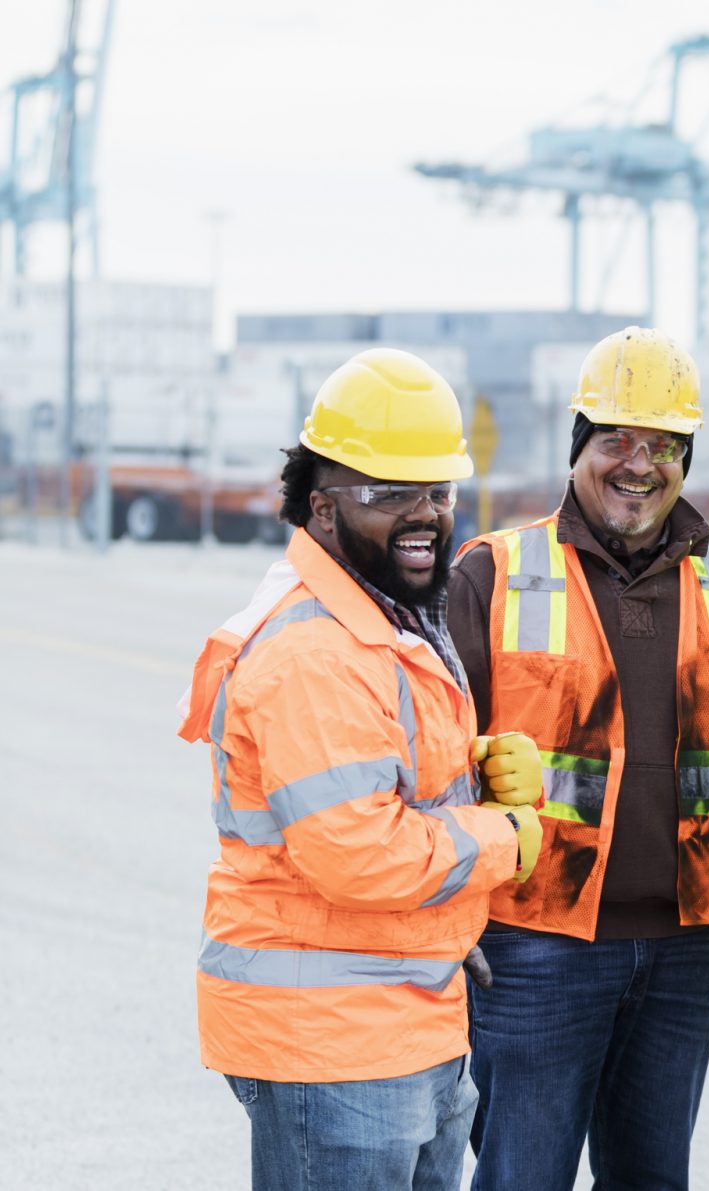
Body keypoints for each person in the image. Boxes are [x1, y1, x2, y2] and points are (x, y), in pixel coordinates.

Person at [177, 349, 543, 1190]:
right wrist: (502, 834)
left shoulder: (385, 618)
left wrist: (471, 772)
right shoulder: (315, 650)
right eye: (388, 493)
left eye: (438, 492)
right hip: (334, 1042)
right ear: (323, 507)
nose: (423, 514)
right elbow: (359, 849)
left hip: (406, 1018)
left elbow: (374, 778)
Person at [447, 326, 709, 1191]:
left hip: (685, 948)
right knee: (519, 1177)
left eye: (663, 445)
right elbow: (434, 764)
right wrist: (442, 922)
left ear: (686, 458)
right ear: (579, 446)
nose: (638, 464)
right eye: (616, 441)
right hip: (534, 946)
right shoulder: (493, 573)